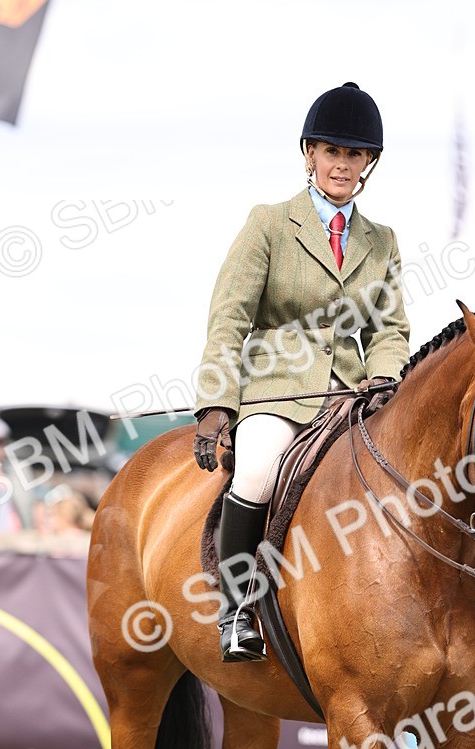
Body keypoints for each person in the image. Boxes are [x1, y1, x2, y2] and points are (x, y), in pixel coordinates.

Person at [192, 82, 410, 662]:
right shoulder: (269, 224)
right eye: (331, 151)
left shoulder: (381, 242)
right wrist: (217, 401)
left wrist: (385, 378)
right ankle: (237, 610)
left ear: (368, 163)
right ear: (310, 153)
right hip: (278, 392)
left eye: (354, 154)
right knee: (257, 471)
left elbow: (390, 330)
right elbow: (229, 318)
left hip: (353, 397)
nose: (342, 164)